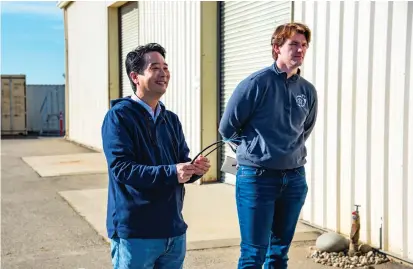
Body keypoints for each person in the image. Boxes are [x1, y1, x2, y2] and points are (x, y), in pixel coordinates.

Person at [101, 43, 211, 269]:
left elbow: (180, 162)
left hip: (173, 230)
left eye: (166, 67)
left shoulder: (171, 119)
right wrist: (173, 172)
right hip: (137, 232)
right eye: (155, 68)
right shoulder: (118, 118)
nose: (164, 73)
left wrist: (193, 170)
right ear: (135, 76)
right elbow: (122, 169)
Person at [219, 22, 318, 269]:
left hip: (294, 179)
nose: (300, 50)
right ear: (276, 48)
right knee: (254, 254)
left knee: (279, 254)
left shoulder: (308, 91)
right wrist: (255, 151)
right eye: (293, 44)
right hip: (257, 178)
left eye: (304, 45)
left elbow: (303, 131)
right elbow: (227, 128)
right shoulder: (256, 84)